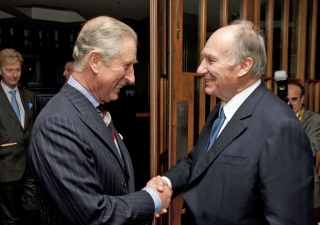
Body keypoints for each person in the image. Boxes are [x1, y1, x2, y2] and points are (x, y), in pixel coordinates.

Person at [157, 19, 314, 224]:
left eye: (211, 61)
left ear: (244, 66)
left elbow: (289, 219)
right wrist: (164, 182)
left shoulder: (281, 126)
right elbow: (197, 162)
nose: (200, 68)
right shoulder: (222, 108)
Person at [29, 16, 172, 225]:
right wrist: (151, 199)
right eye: (126, 65)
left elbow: (114, 185)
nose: (132, 77)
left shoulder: (95, 110)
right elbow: (92, 215)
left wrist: (143, 197)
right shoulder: (57, 123)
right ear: (95, 61)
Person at [0, 48, 39, 224]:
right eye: (9, 70)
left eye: (17, 70)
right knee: (10, 217)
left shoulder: (29, 96)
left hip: (30, 166)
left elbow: (34, 129)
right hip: (6, 167)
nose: (14, 74)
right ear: (0, 70)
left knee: (33, 208)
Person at [287, 81, 320, 225]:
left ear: (302, 99)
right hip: (278, 189)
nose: (289, 104)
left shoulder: (315, 120)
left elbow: (310, 150)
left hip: (305, 188)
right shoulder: (272, 118)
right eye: (285, 100)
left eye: (294, 99)